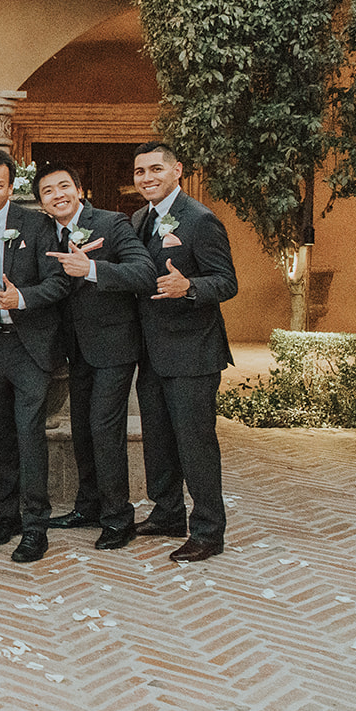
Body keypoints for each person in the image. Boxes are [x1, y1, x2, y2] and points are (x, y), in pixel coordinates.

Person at [36, 163, 155, 551]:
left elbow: (144, 272)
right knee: (84, 431)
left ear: (80, 189)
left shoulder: (112, 223)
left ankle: (119, 519)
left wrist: (92, 269)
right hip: (74, 351)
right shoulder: (45, 231)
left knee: (105, 429)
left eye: (64, 186)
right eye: (48, 191)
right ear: (41, 202)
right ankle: (88, 506)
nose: (58, 195)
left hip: (114, 347)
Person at [130, 141, 239, 563]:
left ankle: (209, 531)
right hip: (153, 351)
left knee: (195, 443)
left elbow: (226, 281)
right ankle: (168, 512)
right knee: (158, 439)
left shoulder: (200, 220)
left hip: (193, 353)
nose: (147, 178)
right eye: (140, 171)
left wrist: (190, 286)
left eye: (155, 169)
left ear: (178, 169)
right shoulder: (139, 218)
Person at [0, 148, 72, 564]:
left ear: (11, 187)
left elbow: (60, 282)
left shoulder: (36, 224)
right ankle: (7, 515)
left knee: (29, 435)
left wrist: (22, 298)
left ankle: (35, 526)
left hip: (29, 346)